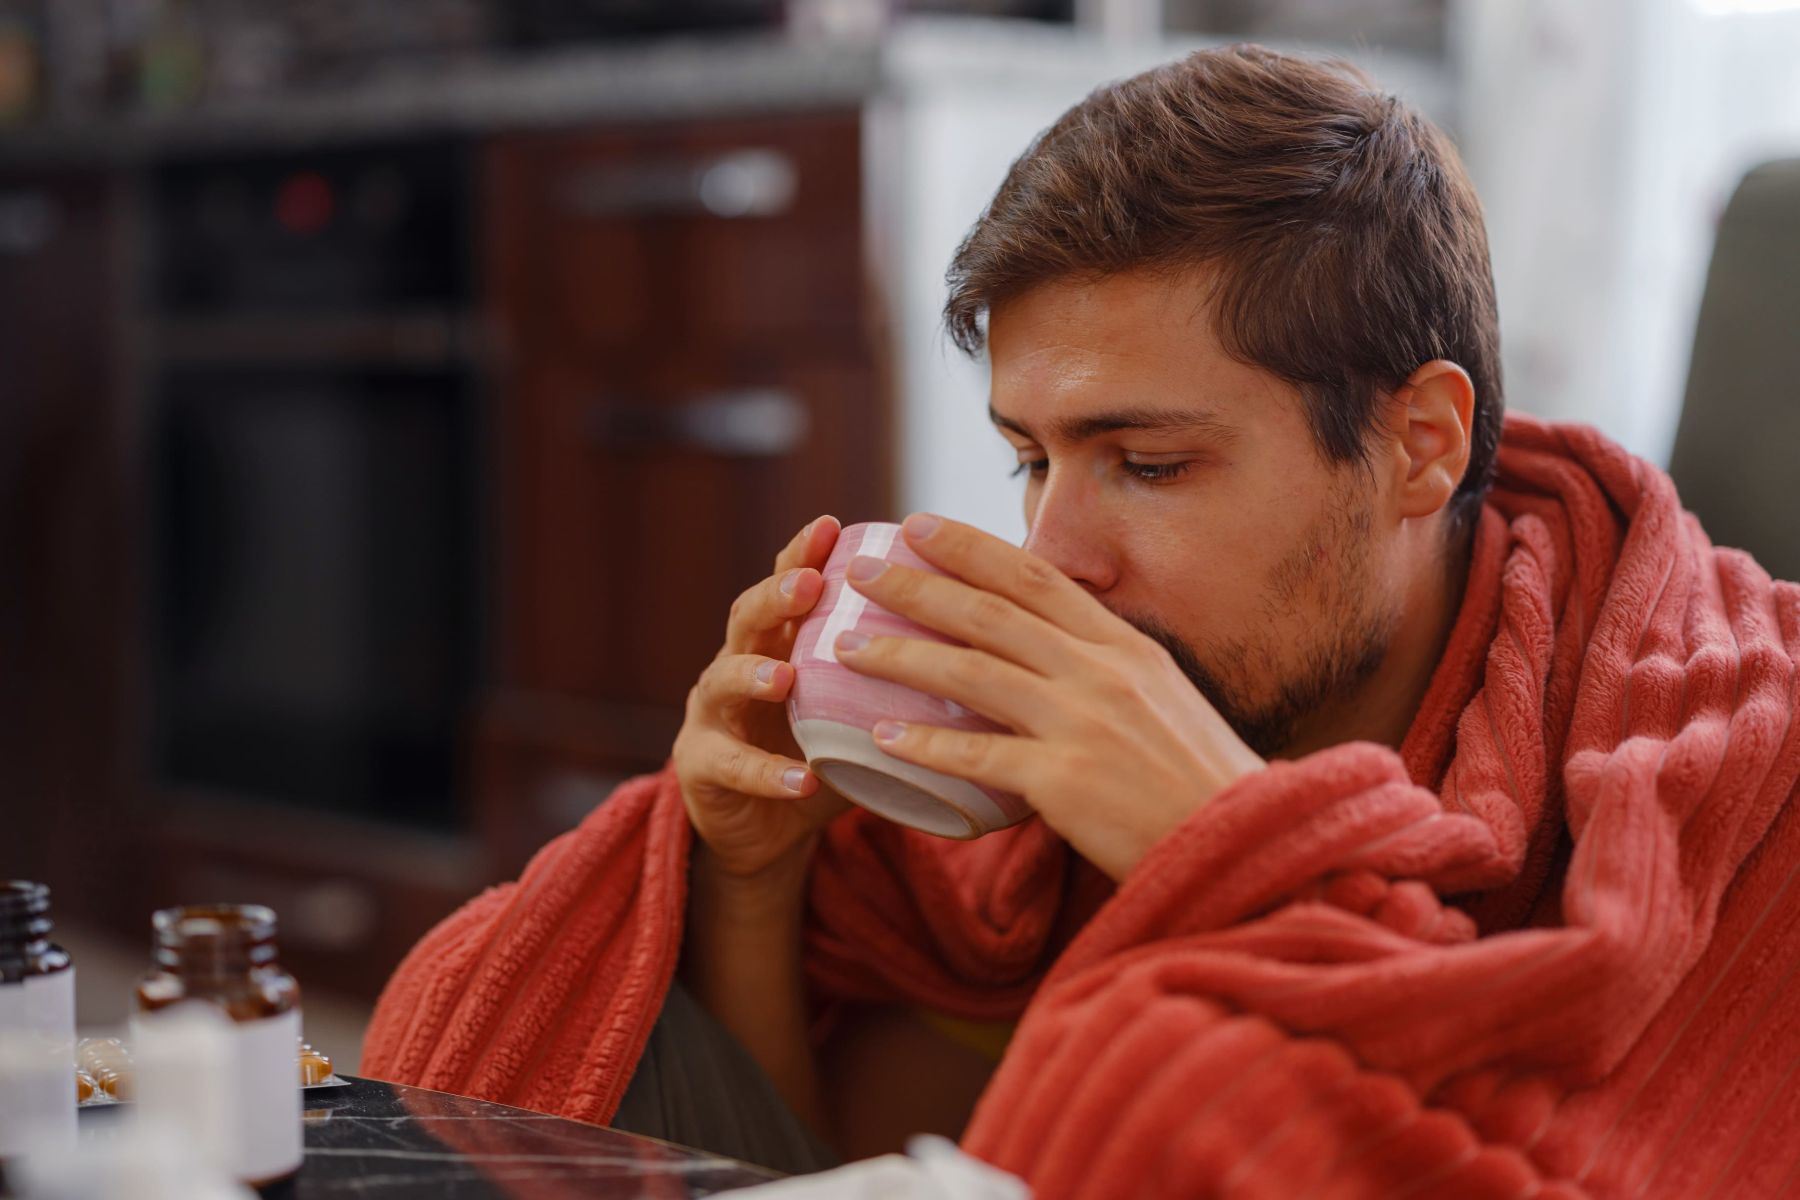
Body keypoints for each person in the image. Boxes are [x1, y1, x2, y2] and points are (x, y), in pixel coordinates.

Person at [362, 44, 1800, 1198]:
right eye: (1029, 460)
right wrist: (749, 882)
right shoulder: (1032, 816)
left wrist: (1236, 853)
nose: (1057, 556)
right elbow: (861, 1168)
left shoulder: (1723, 765)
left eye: (1152, 465)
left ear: (1421, 444)